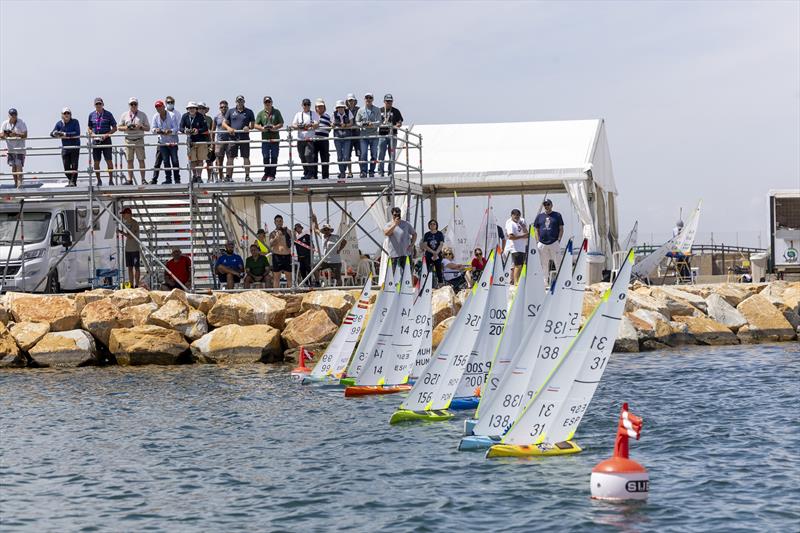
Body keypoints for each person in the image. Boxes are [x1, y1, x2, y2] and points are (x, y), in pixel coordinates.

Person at [223, 95, 255, 182]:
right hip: (233, 137)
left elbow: (252, 125)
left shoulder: (249, 112)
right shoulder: (230, 111)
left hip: (244, 137)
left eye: (241, 101)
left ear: (244, 102)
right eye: (238, 101)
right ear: (236, 102)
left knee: (246, 157)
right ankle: (228, 176)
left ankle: (247, 176)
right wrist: (228, 128)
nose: (240, 103)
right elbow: (224, 123)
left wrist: (248, 127)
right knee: (230, 157)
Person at [119, 97, 150, 185]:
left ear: (137, 104)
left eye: (135, 104)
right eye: (131, 104)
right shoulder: (124, 115)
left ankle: (143, 180)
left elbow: (148, 128)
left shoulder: (142, 115)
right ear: (129, 105)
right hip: (128, 140)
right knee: (129, 160)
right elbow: (119, 127)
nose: (133, 106)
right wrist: (127, 127)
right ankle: (129, 180)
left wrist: (140, 127)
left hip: (139, 140)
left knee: (141, 160)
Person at [87, 97, 117, 186]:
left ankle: (111, 180)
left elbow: (115, 128)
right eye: (97, 104)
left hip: (106, 139)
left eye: (100, 104)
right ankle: (99, 180)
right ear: (94, 105)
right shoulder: (91, 115)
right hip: (96, 140)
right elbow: (89, 127)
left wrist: (107, 135)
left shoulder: (108, 114)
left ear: (103, 104)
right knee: (96, 161)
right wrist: (92, 134)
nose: (98, 105)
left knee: (109, 160)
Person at [532, 200, 564, 281]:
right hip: (542, 243)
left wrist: (559, 239)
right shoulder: (540, 216)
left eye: (548, 204)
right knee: (543, 263)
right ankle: (545, 281)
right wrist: (537, 240)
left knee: (558, 262)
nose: (546, 206)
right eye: (545, 205)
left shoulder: (557, 215)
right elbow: (536, 228)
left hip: (554, 242)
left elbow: (561, 228)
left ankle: (560, 281)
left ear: (551, 205)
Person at [151, 100, 182, 184]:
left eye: (160, 106)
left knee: (175, 160)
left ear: (163, 106)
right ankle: (168, 179)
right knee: (166, 161)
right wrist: (157, 130)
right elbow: (152, 129)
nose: (158, 108)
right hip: (163, 142)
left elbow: (176, 129)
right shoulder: (155, 116)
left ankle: (177, 179)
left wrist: (169, 131)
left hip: (173, 142)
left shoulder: (172, 115)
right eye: (157, 107)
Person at [254, 96, 284, 181]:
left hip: (275, 138)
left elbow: (281, 123)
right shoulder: (261, 113)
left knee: (274, 156)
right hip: (265, 139)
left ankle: (272, 175)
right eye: (266, 102)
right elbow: (255, 125)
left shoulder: (276, 112)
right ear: (264, 103)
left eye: (269, 102)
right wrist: (262, 128)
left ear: (271, 102)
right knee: (265, 156)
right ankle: (266, 173)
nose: (267, 104)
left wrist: (274, 127)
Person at [50, 107, 81, 186]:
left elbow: (77, 133)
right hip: (65, 148)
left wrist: (65, 134)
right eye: (65, 113)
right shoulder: (59, 123)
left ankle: (73, 182)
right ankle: (71, 181)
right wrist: (56, 133)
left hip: (75, 146)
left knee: (74, 165)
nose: (67, 115)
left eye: (68, 113)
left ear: (71, 114)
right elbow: (51, 133)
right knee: (66, 167)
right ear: (62, 115)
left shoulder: (75, 121)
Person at [180, 102, 209, 183]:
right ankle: (194, 176)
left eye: (193, 108)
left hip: (201, 140)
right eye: (190, 108)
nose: (191, 109)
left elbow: (205, 128)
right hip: (191, 141)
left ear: (196, 109)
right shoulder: (185, 116)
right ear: (188, 109)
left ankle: (199, 177)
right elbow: (180, 127)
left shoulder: (200, 116)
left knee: (200, 159)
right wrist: (185, 130)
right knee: (192, 160)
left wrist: (198, 131)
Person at [313, 216, 346, 285]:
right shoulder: (322, 236)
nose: (326, 231)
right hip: (325, 260)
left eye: (328, 229)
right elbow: (316, 229)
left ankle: (340, 290)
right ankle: (317, 282)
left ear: (330, 230)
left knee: (338, 277)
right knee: (315, 268)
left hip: (335, 261)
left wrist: (339, 249)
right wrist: (315, 220)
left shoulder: (335, 237)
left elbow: (344, 241)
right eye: (325, 230)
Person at [291, 98, 318, 179]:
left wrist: (310, 125)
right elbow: (293, 125)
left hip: (310, 139)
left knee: (308, 155)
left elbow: (317, 124)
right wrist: (301, 126)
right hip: (300, 139)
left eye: (308, 104)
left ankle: (311, 173)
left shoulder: (314, 114)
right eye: (305, 104)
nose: (306, 106)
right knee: (302, 156)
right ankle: (306, 173)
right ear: (302, 105)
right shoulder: (298, 114)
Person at [378, 94, 404, 177]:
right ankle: (380, 172)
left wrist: (397, 125)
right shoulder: (379, 110)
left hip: (392, 135)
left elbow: (400, 122)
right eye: (387, 101)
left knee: (392, 155)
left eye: (390, 101)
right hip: (382, 135)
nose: (389, 103)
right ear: (384, 101)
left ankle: (390, 172)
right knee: (381, 154)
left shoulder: (396, 111)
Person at [355, 93, 380, 178]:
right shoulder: (360, 110)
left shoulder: (377, 110)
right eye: (367, 98)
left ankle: (372, 171)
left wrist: (371, 124)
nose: (368, 99)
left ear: (372, 99)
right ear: (364, 99)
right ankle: (363, 171)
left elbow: (379, 122)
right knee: (363, 154)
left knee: (374, 154)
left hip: (374, 136)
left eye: (370, 98)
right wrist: (363, 124)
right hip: (364, 136)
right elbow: (357, 122)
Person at [118, 207, 141, 288]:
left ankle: (136, 284)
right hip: (128, 249)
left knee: (136, 267)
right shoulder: (126, 223)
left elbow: (131, 236)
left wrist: (121, 232)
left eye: (124, 214)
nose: (123, 215)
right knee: (130, 267)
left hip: (134, 248)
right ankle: (131, 285)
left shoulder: (134, 223)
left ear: (129, 214)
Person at [505, 208, 529, 284]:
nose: (516, 217)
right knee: (517, 266)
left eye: (518, 215)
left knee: (521, 266)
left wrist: (524, 226)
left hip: (522, 248)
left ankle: (518, 282)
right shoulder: (510, 224)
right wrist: (522, 237)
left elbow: (526, 233)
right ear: (511, 215)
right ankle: (516, 282)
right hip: (515, 248)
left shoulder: (520, 223)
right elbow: (510, 236)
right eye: (515, 215)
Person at [269, 214, 293, 287]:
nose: (279, 222)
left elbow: (294, 238)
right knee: (276, 277)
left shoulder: (287, 231)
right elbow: (271, 244)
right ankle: (276, 293)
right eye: (277, 221)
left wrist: (288, 232)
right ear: (275, 222)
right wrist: (277, 237)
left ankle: (290, 293)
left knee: (289, 276)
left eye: (280, 221)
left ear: (282, 222)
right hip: (277, 255)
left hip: (287, 256)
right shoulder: (273, 233)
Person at [332, 100, 352, 180]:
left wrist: (345, 125)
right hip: (337, 137)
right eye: (339, 107)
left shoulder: (348, 112)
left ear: (344, 107)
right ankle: (342, 172)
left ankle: (343, 171)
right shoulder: (334, 114)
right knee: (339, 156)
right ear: (337, 108)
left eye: (342, 107)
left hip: (347, 137)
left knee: (346, 156)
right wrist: (333, 125)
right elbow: (331, 123)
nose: (340, 109)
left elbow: (351, 123)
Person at [421, 219, 445, 285]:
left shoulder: (440, 234)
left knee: (438, 269)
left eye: (434, 224)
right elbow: (425, 245)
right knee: (427, 269)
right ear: (429, 225)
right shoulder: (427, 234)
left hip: (438, 254)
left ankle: (440, 283)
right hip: (429, 254)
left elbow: (441, 244)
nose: (432, 225)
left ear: (436, 225)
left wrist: (436, 252)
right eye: (431, 224)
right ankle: (426, 284)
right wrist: (433, 252)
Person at [313, 99, 331, 179]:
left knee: (325, 158)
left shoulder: (327, 116)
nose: (320, 108)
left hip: (324, 139)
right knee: (314, 158)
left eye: (321, 106)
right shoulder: (312, 115)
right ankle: (314, 175)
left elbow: (330, 128)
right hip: (314, 139)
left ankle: (325, 176)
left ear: (324, 107)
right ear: (316, 108)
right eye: (318, 106)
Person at [212, 100, 229, 182]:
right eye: (222, 107)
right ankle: (221, 177)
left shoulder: (230, 116)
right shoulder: (216, 117)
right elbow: (213, 130)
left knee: (229, 160)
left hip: (229, 141)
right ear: (219, 108)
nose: (223, 108)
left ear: (227, 107)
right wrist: (212, 142)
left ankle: (228, 177)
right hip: (219, 141)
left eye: (225, 107)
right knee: (219, 161)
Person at [198, 102, 215, 181]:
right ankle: (199, 177)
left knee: (209, 161)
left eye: (203, 108)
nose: (201, 110)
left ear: (205, 110)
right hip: (198, 142)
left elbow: (212, 131)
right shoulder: (194, 118)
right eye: (199, 108)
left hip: (207, 142)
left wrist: (212, 143)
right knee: (199, 161)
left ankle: (209, 178)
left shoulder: (209, 119)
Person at [345, 93, 360, 172]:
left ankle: (362, 171)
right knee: (347, 155)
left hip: (357, 135)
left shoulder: (359, 109)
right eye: (349, 100)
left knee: (360, 154)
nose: (351, 102)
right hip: (348, 135)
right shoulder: (344, 110)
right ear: (347, 101)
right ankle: (350, 172)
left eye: (352, 100)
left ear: (355, 101)